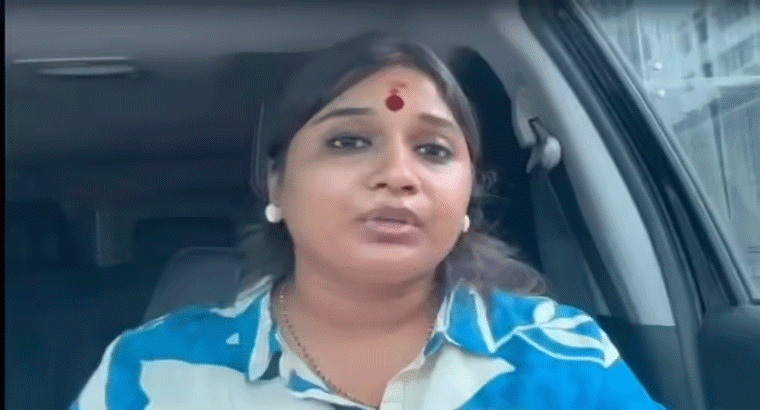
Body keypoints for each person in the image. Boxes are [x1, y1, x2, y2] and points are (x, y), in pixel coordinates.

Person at [70, 32, 666, 410]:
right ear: (276, 184)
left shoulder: (561, 358)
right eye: (349, 142)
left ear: (466, 200)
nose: (399, 175)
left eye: (433, 150)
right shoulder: (154, 373)